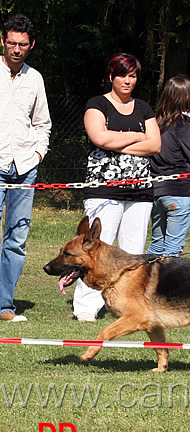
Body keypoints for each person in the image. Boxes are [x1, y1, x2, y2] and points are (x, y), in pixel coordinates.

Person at [73, 53, 161, 322]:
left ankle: (127, 305)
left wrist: (117, 140)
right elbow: (99, 138)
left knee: (132, 255)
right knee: (95, 250)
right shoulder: (97, 104)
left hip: (140, 192)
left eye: (132, 76)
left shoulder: (144, 108)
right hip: (104, 190)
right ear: (111, 76)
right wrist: (135, 136)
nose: (127, 80)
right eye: (122, 75)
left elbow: (155, 145)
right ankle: (86, 307)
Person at [0, 14, 51, 322]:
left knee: (16, 240)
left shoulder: (35, 78)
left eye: (22, 45)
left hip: (24, 166)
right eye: (11, 43)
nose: (16, 49)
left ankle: (4, 306)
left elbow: (43, 122)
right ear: (3, 41)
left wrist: (38, 153)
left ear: (31, 45)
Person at [147, 75, 190, 256]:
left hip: (157, 192)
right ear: (188, 98)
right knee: (172, 250)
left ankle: (146, 282)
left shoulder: (155, 123)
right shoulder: (183, 126)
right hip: (179, 193)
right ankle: (167, 285)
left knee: (156, 246)